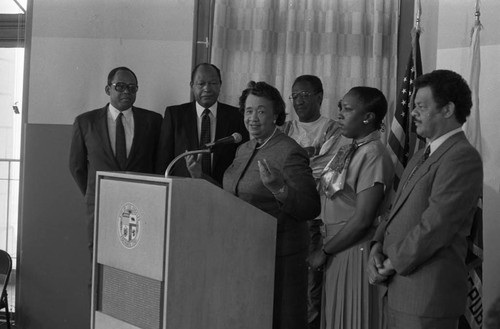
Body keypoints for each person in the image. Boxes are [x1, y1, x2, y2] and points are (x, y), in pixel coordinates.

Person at [186, 81, 321, 329]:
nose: (253, 118)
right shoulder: (243, 149)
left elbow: (311, 207)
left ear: (275, 115)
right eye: (248, 111)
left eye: (261, 111)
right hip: (244, 252)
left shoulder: (290, 151)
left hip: (281, 256)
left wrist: (279, 188)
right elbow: (234, 199)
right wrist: (200, 177)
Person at [368, 70, 483, 329]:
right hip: (397, 291)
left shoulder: (461, 157)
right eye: (413, 106)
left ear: (448, 109)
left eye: (421, 106)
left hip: (426, 298)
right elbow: (395, 211)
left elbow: (436, 225)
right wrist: (376, 244)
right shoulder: (422, 155)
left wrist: (391, 262)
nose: (413, 113)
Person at [308, 86, 394, 329]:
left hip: (353, 248)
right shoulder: (349, 149)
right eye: (340, 108)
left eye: (347, 109)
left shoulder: (373, 154)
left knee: (352, 319)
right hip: (337, 247)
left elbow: (363, 218)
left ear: (368, 117)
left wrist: (324, 252)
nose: (340, 115)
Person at [69, 66, 162, 252]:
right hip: (100, 203)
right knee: (99, 256)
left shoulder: (153, 121)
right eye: (120, 86)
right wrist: (93, 193)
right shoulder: (86, 122)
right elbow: (76, 166)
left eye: (132, 87)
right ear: (108, 89)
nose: (126, 91)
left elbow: (158, 164)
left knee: (138, 257)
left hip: (141, 205)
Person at [283, 74, 345, 329]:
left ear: (320, 97)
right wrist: (308, 157)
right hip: (285, 213)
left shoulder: (334, 129)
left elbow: (327, 170)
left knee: (311, 285)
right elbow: (276, 164)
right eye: (294, 95)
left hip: (315, 217)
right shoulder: (285, 128)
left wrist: (293, 165)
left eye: (304, 95)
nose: (298, 101)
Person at [155, 63, 249, 184]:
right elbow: (163, 161)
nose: (207, 88)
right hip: (182, 191)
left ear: (220, 85)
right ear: (192, 86)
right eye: (201, 84)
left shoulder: (236, 116)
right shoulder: (175, 115)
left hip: (222, 192)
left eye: (213, 83)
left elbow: (242, 161)